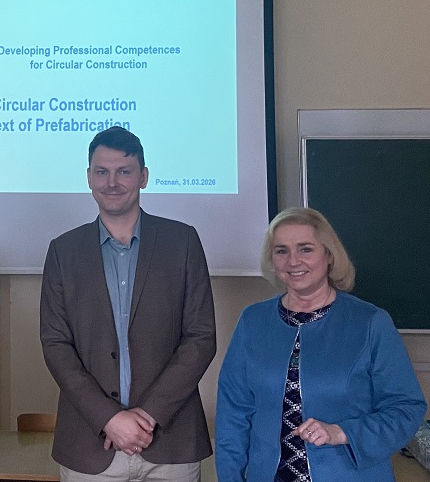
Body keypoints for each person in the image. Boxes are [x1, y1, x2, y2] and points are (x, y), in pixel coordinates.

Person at [40, 126, 216, 482]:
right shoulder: (63, 251)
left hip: (170, 443)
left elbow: (201, 337)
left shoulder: (182, 242)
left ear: (143, 177)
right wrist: (109, 418)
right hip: (90, 446)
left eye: (124, 171)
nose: (112, 182)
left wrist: (147, 416)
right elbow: (56, 345)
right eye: (101, 171)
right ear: (89, 177)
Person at [216, 207, 427, 482]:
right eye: (281, 251)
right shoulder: (252, 321)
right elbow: (233, 413)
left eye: (305, 249)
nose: (293, 261)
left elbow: (406, 408)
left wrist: (341, 432)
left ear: (329, 255)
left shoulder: (370, 323)